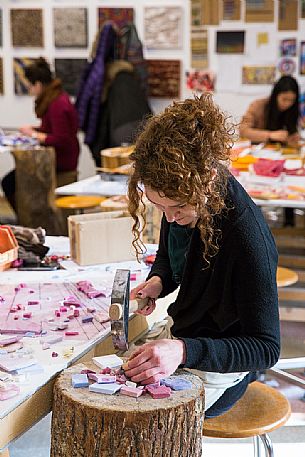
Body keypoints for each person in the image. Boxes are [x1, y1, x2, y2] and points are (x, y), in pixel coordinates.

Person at [124, 94, 280, 418]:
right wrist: (159, 280)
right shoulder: (182, 202)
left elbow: (266, 348)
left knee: (150, 422)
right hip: (188, 339)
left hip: (225, 364)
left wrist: (182, 350)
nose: (168, 219)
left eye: (177, 208)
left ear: (206, 181)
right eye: (159, 207)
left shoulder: (248, 240)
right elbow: (171, 254)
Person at [1, 57, 79, 211]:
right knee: (11, 181)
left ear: (38, 84)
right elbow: (53, 130)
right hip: (60, 157)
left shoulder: (57, 104)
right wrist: (35, 130)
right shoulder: (55, 98)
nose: (30, 91)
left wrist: (34, 134)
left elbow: (61, 139)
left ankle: (29, 221)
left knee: (9, 183)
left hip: (62, 161)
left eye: (30, 87)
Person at [239, 75, 300, 147]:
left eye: (292, 100)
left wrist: (292, 138)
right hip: (257, 151)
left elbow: (291, 134)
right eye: (284, 99)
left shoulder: (292, 110)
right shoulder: (258, 106)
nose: (287, 104)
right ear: (275, 95)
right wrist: (270, 135)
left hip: (281, 152)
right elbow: (243, 131)